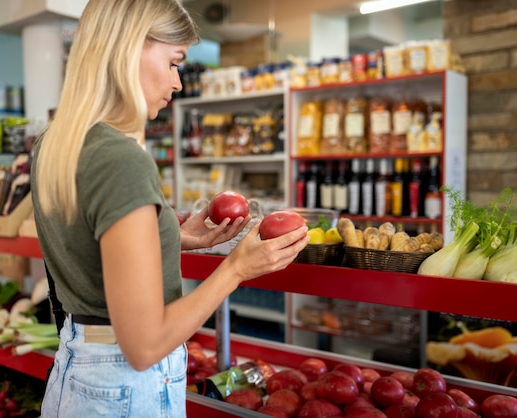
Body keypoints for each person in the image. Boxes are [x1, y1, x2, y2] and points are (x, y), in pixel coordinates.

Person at [30, 0, 309, 416]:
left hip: (78, 370)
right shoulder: (119, 157)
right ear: (129, 48)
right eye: (174, 61)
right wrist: (235, 270)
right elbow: (143, 346)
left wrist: (171, 237)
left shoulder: (54, 143)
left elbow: (88, 249)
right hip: (124, 386)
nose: (178, 82)